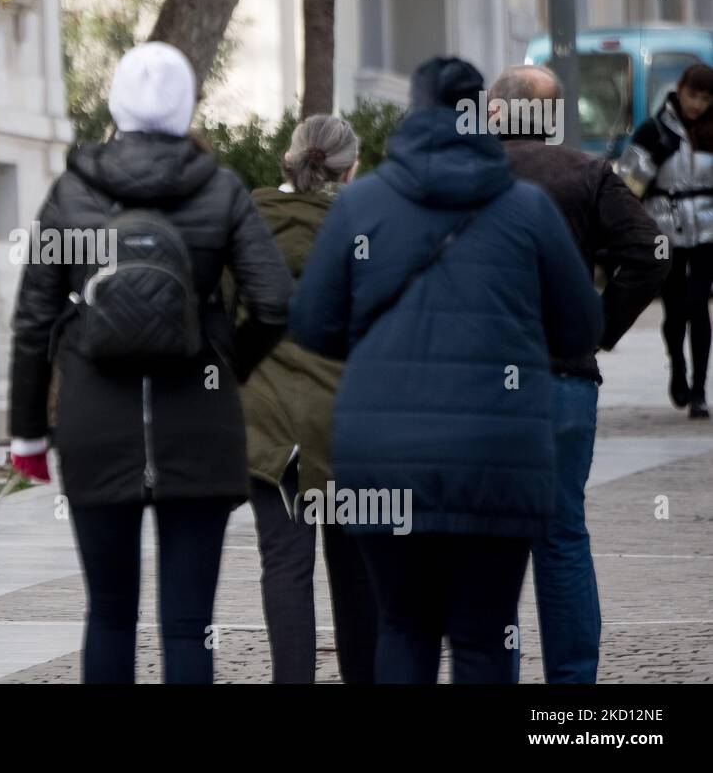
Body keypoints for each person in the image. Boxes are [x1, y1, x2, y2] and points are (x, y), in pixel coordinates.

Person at [289, 56, 603, 684]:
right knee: (484, 638)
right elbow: (581, 329)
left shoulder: (361, 208)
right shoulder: (528, 210)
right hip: (498, 455)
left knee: (402, 626)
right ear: (479, 115)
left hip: (381, 456)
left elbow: (312, 327)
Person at [7, 42, 294, 684]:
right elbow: (274, 303)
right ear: (189, 103)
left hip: (94, 423)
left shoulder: (72, 189)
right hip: (199, 423)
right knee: (190, 623)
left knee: (109, 614)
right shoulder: (220, 188)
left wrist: (27, 431)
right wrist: (225, 366)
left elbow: (32, 318)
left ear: (116, 102)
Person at [490, 65, 668, 683]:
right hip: (564, 380)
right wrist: (596, 327)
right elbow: (650, 252)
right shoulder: (589, 173)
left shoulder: (466, 177)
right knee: (563, 535)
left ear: (495, 112)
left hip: (485, 386)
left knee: (492, 547)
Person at [235, 115, 377, 683]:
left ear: (288, 161)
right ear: (353, 169)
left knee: (284, 564)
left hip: (266, 422)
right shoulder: (367, 226)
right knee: (355, 570)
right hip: (346, 421)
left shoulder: (246, 219)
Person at [617, 62, 713, 418]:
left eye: (705, 98)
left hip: (706, 230)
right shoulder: (654, 129)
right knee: (675, 310)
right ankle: (677, 367)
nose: (697, 105)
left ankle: (700, 390)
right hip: (665, 231)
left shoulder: (710, 131)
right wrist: (655, 157)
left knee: (699, 304)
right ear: (680, 89)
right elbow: (627, 184)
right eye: (692, 95)